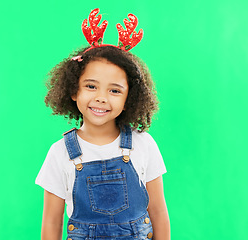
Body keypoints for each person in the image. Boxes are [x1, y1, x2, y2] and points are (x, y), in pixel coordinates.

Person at [36, 8, 170, 240]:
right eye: (91, 86)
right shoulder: (59, 153)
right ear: (73, 90)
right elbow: (51, 222)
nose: (101, 97)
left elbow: (158, 211)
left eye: (114, 90)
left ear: (130, 99)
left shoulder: (143, 144)